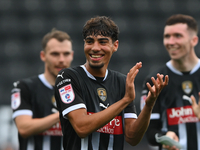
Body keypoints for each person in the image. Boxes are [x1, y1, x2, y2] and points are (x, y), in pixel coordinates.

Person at [54, 16, 168, 150]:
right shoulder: (68, 77)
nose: (95, 48)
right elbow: (82, 127)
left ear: (115, 45)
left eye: (102, 42)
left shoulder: (121, 82)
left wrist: (149, 105)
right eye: (90, 41)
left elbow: (132, 137)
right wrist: (125, 100)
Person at [140, 14, 200, 150]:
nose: (170, 42)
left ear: (194, 40)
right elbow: (149, 132)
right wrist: (165, 136)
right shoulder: (155, 80)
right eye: (167, 36)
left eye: (178, 36)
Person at [11, 28, 74, 150]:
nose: (61, 59)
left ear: (71, 55)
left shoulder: (79, 90)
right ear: (43, 56)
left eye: (66, 54)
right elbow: (24, 128)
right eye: (55, 54)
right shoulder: (24, 87)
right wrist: (65, 113)